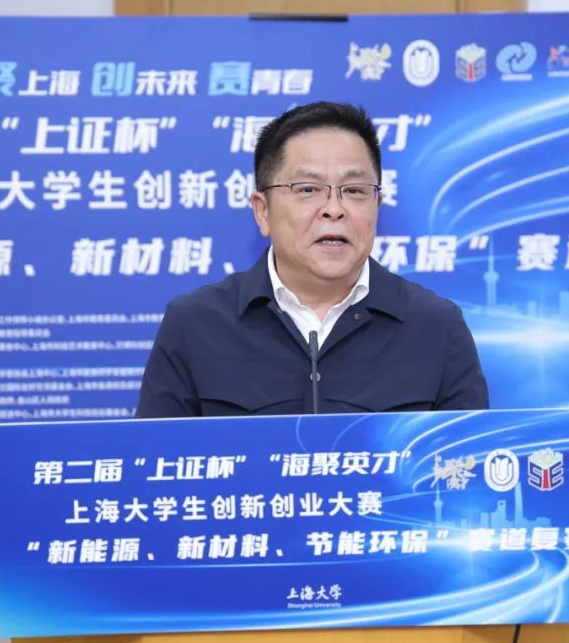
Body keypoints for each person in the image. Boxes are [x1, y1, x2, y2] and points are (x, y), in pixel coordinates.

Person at [135, 101, 488, 418]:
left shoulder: (436, 327)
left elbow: (465, 463)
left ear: (377, 207)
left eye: (354, 191)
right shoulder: (195, 325)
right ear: (262, 211)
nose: (334, 209)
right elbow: (155, 462)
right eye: (307, 189)